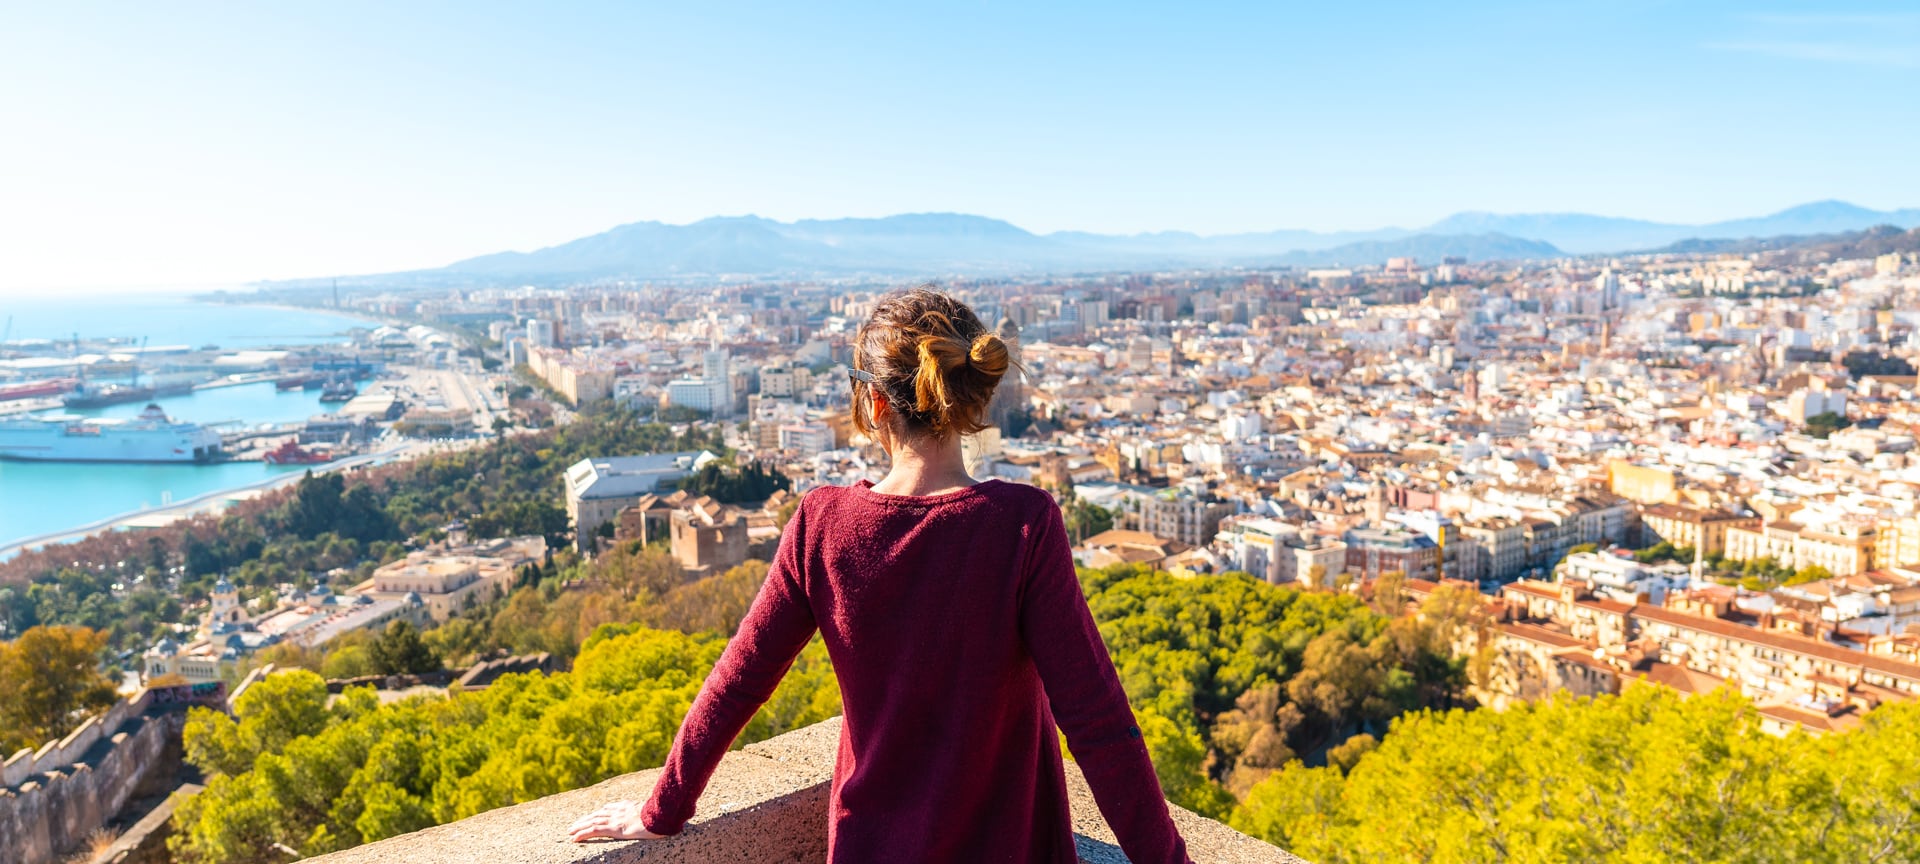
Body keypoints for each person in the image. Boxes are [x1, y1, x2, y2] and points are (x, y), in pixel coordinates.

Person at [569, 286, 1191, 863]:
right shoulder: (1021, 525)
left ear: (871, 403)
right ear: (973, 396)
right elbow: (1096, 720)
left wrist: (664, 809)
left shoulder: (823, 523)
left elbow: (740, 681)